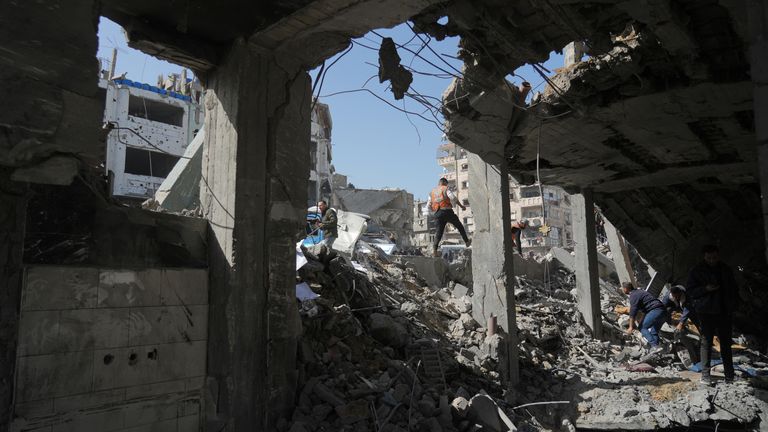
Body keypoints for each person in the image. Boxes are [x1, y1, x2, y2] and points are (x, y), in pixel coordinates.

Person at [687, 244, 737, 384]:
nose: (712, 260)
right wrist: (705, 289)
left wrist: (732, 306)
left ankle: (730, 376)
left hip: (724, 311)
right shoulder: (696, 271)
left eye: (714, 257)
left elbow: (733, 289)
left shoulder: (725, 269)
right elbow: (691, 291)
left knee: (726, 344)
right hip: (706, 312)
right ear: (704, 256)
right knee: (706, 343)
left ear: (718, 255)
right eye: (709, 258)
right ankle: (706, 376)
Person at [428, 178, 470, 256]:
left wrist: (434, 212)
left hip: (437, 213)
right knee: (459, 225)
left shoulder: (432, 192)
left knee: (438, 233)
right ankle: (467, 241)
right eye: (447, 184)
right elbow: (453, 198)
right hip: (447, 211)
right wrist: (461, 206)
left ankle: (434, 251)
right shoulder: (445, 188)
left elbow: (429, 205)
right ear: (444, 183)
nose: (447, 185)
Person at [622, 281, 668, 354]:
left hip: (655, 310)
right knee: (654, 331)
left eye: (623, 288)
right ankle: (657, 350)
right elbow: (645, 310)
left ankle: (654, 346)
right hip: (663, 312)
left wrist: (631, 327)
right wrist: (642, 320)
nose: (622, 290)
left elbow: (633, 312)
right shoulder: (640, 291)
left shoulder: (633, 295)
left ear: (625, 289)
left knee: (642, 327)